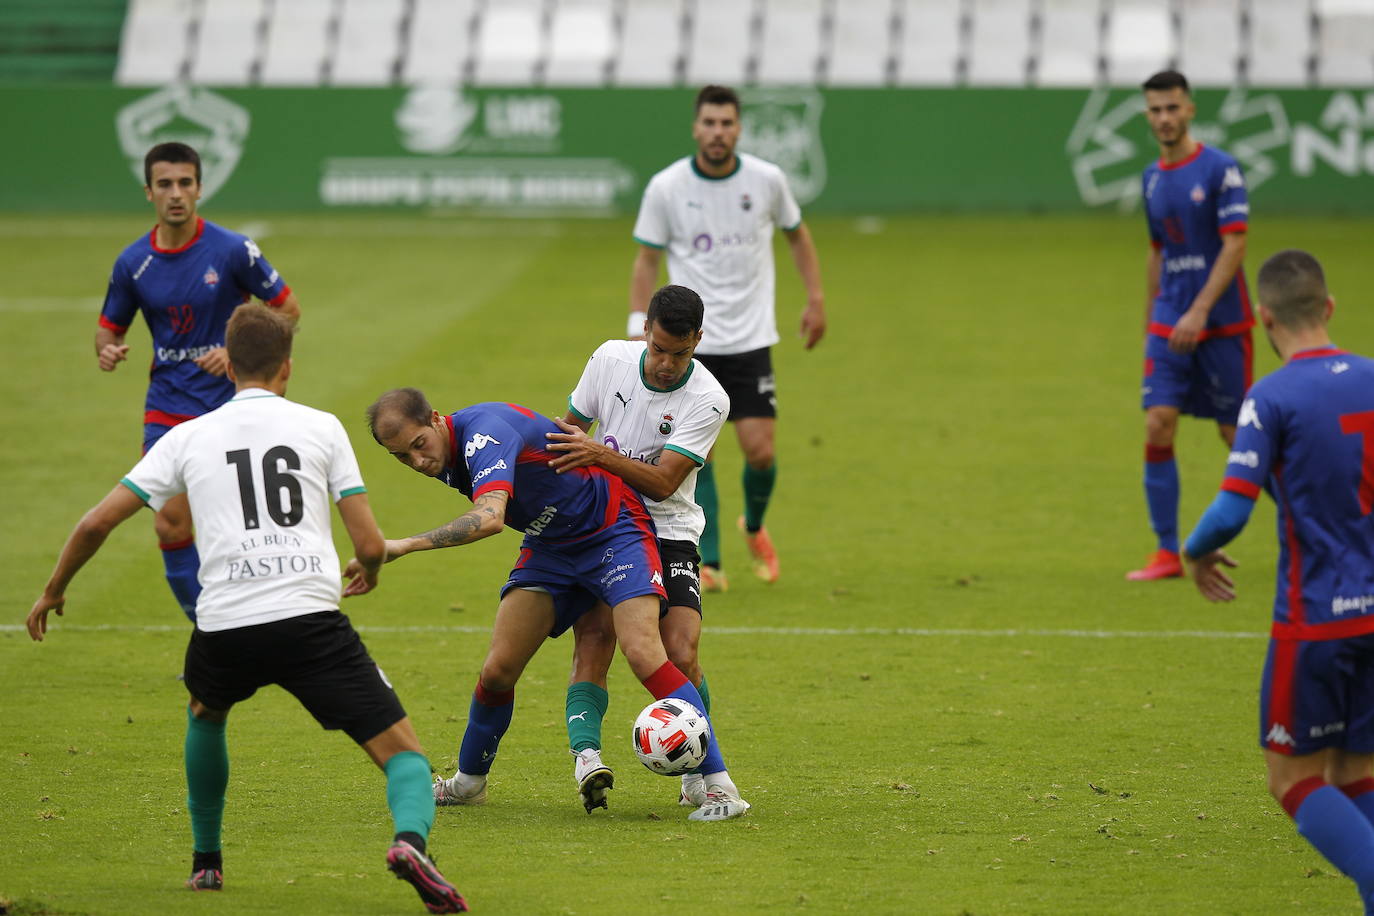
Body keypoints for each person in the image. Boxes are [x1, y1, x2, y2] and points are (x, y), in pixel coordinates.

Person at [26, 305, 465, 913]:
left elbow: (97, 520)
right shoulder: (321, 428)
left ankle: (207, 864)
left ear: (227, 365)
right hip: (310, 621)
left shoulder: (186, 437)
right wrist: (369, 565)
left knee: (206, 713)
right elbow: (367, 544)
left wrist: (54, 588)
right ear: (288, 366)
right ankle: (410, 843)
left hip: (226, 623)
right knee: (405, 756)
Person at [359, 387, 748, 820]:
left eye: (418, 445)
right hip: (553, 547)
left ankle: (720, 787)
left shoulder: (482, 435)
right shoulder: (447, 455)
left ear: (435, 419)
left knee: (642, 652)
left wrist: (404, 545)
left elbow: (490, 518)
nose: (418, 461)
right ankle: (468, 784)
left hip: (614, 530)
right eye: (402, 457)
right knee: (498, 669)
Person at [1182, 250, 1374, 912]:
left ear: (1263, 318)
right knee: (1354, 774)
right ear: (1328, 308)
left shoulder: (1271, 396)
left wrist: (1194, 550)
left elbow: (1231, 508)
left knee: (1291, 779)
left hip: (1317, 619)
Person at [545, 283, 748, 819]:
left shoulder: (709, 398)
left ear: (698, 341)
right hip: (605, 523)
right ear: (645, 333)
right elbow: (567, 432)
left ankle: (701, 765)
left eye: (679, 353)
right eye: (658, 349)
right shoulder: (609, 359)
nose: (665, 364)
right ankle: (586, 758)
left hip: (670, 527)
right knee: (594, 637)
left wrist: (598, 455)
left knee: (680, 652)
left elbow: (662, 484)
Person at [629, 84, 826, 591]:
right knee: (701, 453)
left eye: (727, 124)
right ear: (696, 128)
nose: (718, 132)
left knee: (760, 451)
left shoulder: (767, 180)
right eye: (709, 123)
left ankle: (754, 527)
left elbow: (797, 234)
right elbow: (646, 258)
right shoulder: (667, 186)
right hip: (692, 342)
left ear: (738, 128)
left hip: (752, 336)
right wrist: (638, 326)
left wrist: (816, 298)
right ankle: (709, 559)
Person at [97, 141, 302, 619]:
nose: (176, 194)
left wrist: (235, 349)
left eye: (185, 183)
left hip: (236, 402)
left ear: (199, 189)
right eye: (165, 184)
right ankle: (210, 630)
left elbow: (288, 310)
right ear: (148, 192)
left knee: (244, 524)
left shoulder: (233, 250)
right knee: (170, 524)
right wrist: (106, 350)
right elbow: (109, 329)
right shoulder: (133, 263)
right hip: (168, 405)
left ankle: (270, 617)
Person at [1129, 70, 1253, 581]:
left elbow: (1236, 244)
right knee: (1158, 421)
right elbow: (1158, 252)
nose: (1164, 118)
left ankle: (1306, 530)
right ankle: (1165, 551)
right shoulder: (1151, 178)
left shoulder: (1221, 170)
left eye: (1172, 108)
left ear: (1190, 109)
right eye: (1155, 110)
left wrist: (1200, 310)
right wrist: (1150, 324)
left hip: (1221, 322)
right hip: (1169, 321)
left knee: (1237, 435)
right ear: (1147, 115)